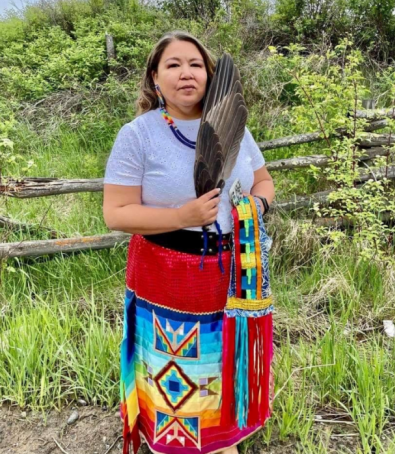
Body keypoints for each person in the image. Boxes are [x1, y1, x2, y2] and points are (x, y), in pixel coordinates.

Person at [103, 31, 276, 454]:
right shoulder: (138, 135)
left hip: (233, 272)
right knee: (174, 364)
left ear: (209, 75)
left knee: (222, 358)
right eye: (173, 65)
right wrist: (181, 217)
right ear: (155, 78)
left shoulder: (232, 128)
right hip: (166, 275)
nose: (186, 73)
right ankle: (173, 440)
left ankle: (221, 439)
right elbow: (117, 213)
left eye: (195, 64)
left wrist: (254, 208)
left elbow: (264, 182)